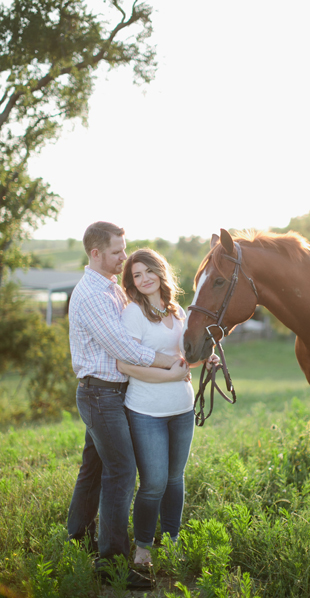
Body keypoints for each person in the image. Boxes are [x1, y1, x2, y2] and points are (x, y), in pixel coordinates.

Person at [67, 222, 188, 590]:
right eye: (118, 252)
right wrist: (169, 363)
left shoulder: (111, 290)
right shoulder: (91, 295)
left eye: (124, 250)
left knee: (94, 468)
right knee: (122, 472)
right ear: (96, 253)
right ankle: (112, 562)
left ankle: (76, 537)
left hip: (112, 394)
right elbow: (125, 349)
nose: (124, 257)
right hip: (100, 394)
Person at [116, 248, 213, 567]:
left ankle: (171, 540)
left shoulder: (178, 312)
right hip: (146, 412)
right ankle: (143, 547)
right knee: (154, 482)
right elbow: (124, 364)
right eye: (136, 275)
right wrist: (166, 377)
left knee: (175, 479)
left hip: (181, 410)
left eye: (148, 272)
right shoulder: (133, 313)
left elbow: (183, 363)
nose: (143, 280)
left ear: (161, 273)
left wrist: (204, 360)